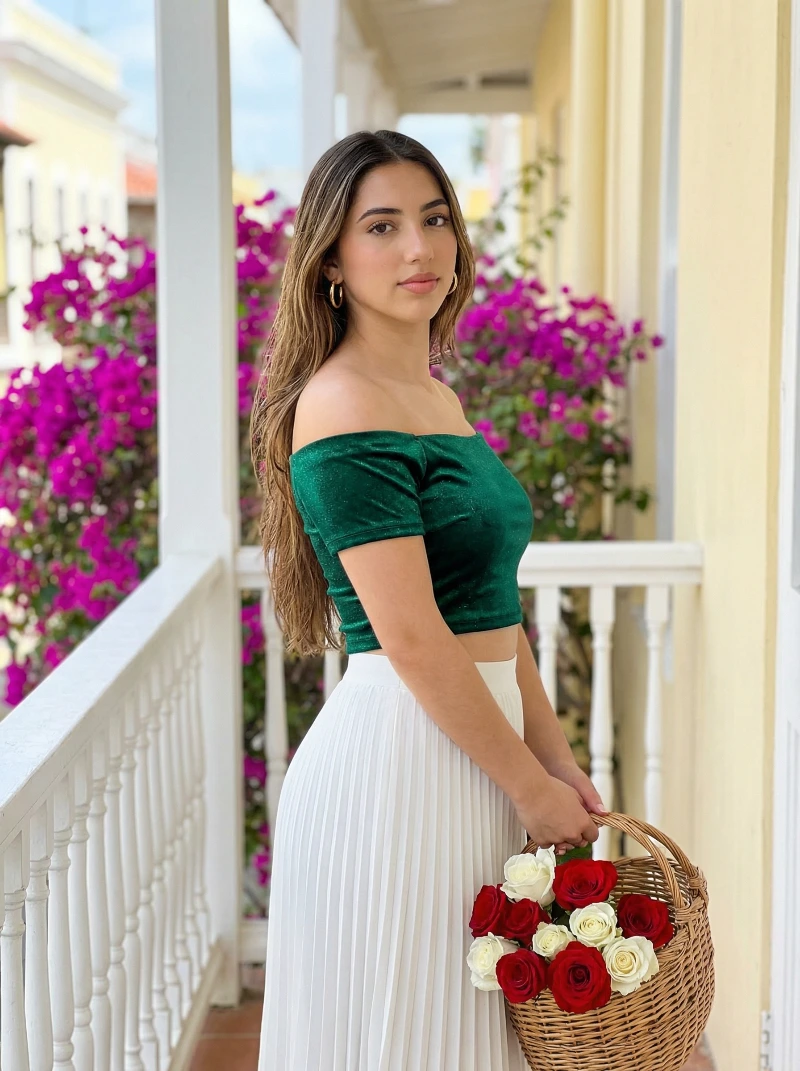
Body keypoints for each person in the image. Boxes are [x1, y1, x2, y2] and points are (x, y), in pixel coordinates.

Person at [250, 129, 605, 1071]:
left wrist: (553, 757)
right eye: (382, 226)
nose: (419, 248)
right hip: (403, 762)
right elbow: (410, 632)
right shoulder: (340, 402)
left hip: (474, 752)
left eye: (436, 218)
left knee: (469, 1036)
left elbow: (491, 607)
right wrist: (526, 783)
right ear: (331, 260)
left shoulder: (436, 400)